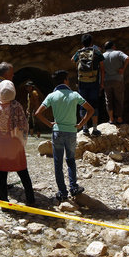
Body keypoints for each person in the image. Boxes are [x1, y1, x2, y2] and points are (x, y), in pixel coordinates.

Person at [35, 70, 94, 202]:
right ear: (66, 80)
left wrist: (49, 124)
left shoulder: (51, 96)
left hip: (57, 132)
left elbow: (38, 113)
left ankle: (62, 192)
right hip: (71, 132)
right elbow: (90, 110)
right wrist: (81, 124)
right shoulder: (74, 94)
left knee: (57, 162)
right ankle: (73, 187)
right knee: (71, 160)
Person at [0, 81, 35, 205]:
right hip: (15, 143)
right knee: (23, 171)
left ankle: (4, 202)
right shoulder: (17, 106)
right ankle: (31, 199)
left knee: (1, 174)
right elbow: (23, 125)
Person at [71, 34, 104, 136]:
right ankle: (94, 129)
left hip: (82, 83)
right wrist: (102, 83)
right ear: (91, 42)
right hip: (93, 82)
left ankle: (85, 128)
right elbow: (102, 68)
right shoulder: (96, 52)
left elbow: (73, 60)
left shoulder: (79, 52)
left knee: (83, 104)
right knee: (94, 104)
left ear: (82, 43)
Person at [102, 40, 129, 124]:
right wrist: (123, 69)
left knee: (108, 100)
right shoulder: (118, 53)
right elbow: (127, 58)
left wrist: (101, 82)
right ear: (113, 46)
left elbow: (101, 69)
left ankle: (111, 118)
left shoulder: (102, 55)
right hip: (118, 79)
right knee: (119, 99)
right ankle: (119, 118)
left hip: (107, 79)